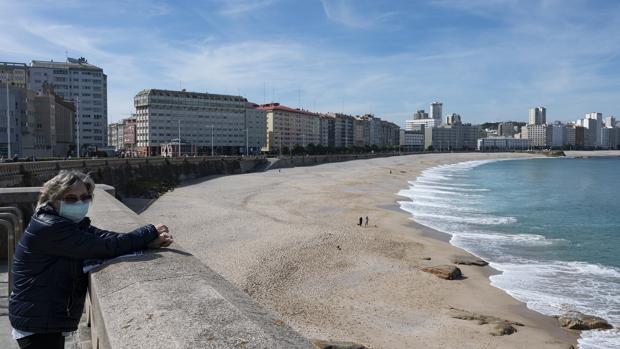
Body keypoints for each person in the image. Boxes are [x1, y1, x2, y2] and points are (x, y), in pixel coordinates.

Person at [9, 170, 173, 349]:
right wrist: (149, 231)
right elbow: (104, 247)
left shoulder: (64, 222)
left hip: (42, 316)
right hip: (37, 323)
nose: (80, 203)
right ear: (54, 200)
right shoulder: (51, 227)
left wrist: (147, 241)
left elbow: (105, 237)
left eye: (85, 197)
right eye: (71, 198)